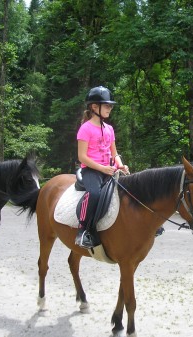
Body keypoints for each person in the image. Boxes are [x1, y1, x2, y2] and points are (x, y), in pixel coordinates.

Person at [75, 86, 130, 249]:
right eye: (107, 105)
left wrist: (120, 164)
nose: (110, 108)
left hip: (109, 169)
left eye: (110, 106)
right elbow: (82, 157)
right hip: (91, 170)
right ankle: (83, 230)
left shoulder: (109, 129)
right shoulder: (85, 129)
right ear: (94, 107)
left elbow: (115, 153)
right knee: (94, 193)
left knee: (133, 187)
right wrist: (102, 168)